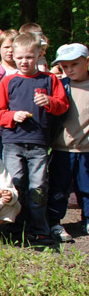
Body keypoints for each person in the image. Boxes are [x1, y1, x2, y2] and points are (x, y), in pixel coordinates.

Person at [0, 33, 69, 245]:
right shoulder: (8, 81)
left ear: (39, 55)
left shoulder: (49, 80)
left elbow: (63, 106)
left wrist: (49, 101)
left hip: (39, 142)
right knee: (15, 184)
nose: (24, 61)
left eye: (29, 57)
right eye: (20, 57)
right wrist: (12, 116)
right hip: (12, 141)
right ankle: (15, 227)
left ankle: (39, 228)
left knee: (38, 187)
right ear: (13, 56)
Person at [47, 43, 89, 242]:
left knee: (87, 187)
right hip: (62, 148)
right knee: (58, 188)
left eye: (75, 64)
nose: (70, 69)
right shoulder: (60, 86)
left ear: (86, 62)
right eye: (65, 66)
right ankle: (54, 221)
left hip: (86, 148)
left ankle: (87, 220)